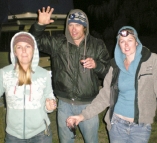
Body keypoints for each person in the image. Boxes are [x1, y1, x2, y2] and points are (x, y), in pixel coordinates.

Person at [66, 26, 157, 143]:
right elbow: (105, 96)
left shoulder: (151, 60)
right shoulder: (115, 67)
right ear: (119, 45)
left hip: (140, 127)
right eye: (122, 41)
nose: (126, 45)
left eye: (130, 40)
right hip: (117, 125)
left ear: (136, 42)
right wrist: (82, 116)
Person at [29, 6, 110, 143]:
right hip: (64, 104)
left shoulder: (97, 45)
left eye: (78, 25)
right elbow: (32, 42)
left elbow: (109, 71)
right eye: (70, 25)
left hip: (88, 104)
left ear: (85, 26)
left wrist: (97, 65)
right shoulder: (58, 43)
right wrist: (39, 25)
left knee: (92, 140)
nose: (73, 29)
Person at [0, 32, 56, 143]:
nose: (24, 51)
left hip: (41, 134)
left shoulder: (44, 74)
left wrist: (50, 106)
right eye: (19, 47)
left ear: (33, 50)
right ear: (15, 51)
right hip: (13, 135)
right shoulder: (4, 73)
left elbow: (49, 96)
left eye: (27, 46)